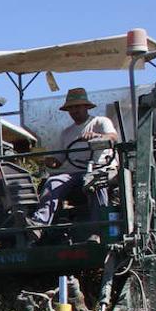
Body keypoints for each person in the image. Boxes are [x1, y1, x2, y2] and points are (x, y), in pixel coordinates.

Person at [30, 88, 118, 228]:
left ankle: (98, 228)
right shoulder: (66, 133)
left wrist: (97, 136)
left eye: (77, 106)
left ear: (86, 107)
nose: (74, 110)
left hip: (100, 168)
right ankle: (38, 224)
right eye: (71, 108)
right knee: (53, 182)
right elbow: (58, 162)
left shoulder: (100, 122)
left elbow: (113, 137)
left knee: (94, 182)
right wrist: (44, 160)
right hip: (73, 173)